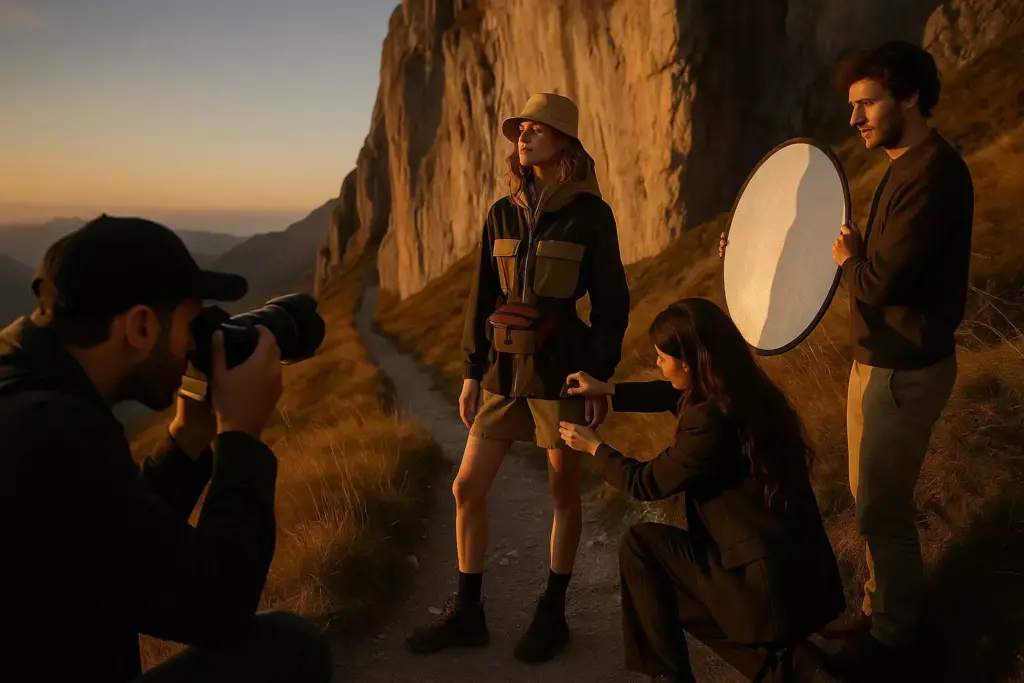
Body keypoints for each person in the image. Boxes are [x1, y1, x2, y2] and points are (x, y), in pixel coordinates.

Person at [721, 41, 974, 676]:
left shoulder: (932, 174)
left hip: (904, 369)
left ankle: (893, 640)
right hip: (880, 363)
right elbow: (859, 258)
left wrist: (848, 260)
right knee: (869, 499)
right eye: (853, 106)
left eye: (867, 103)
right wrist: (751, 250)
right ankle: (877, 607)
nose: (854, 118)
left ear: (909, 97)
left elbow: (879, 280)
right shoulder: (903, 166)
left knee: (882, 508)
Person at [0, 215, 333, 683]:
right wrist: (240, 434)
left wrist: (188, 436)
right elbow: (218, 603)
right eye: (192, 326)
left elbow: (123, 541)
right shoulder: (55, 435)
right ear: (141, 326)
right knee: (289, 648)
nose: (194, 346)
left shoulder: (28, 388)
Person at [405, 92, 631, 663]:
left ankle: (553, 613)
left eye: (536, 129)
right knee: (466, 487)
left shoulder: (591, 216)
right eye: (520, 130)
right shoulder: (501, 212)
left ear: (564, 142)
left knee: (562, 492)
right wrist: (470, 372)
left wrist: (598, 375)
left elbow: (611, 304)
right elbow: (482, 295)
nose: (523, 138)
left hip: (562, 374)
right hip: (502, 372)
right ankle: (468, 613)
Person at [557, 298, 846, 683]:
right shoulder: (748, 392)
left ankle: (675, 676)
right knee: (662, 588)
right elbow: (671, 395)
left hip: (762, 589)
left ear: (689, 363)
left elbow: (645, 482)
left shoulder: (707, 422)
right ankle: (794, 667)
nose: (658, 364)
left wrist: (593, 447)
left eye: (662, 358)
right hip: (805, 578)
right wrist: (609, 390)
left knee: (642, 547)